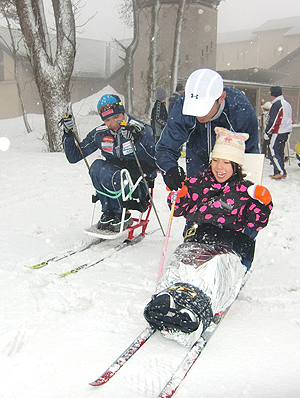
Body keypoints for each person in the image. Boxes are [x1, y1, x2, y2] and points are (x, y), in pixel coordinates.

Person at [144, 127, 273, 347]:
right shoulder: (199, 184)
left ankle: (196, 309)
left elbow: (256, 222)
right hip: (198, 240)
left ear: (236, 166)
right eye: (216, 161)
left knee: (213, 270)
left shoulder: (245, 191)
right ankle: (168, 299)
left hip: (229, 247)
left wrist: (264, 203)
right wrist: (179, 194)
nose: (219, 168)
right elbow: (179, 209)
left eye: (226, 163)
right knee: (180, 260)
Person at [61, 94, 157, 232]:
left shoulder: (139, 128)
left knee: (112, 174)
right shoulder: (100, 133)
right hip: (112, 177)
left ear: (123, 113)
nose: (113, 123)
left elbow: (154, 159)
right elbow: (74, 156)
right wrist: (68, 134)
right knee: (96, 167)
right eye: (108, 120)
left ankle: (123, 213)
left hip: (138, 181)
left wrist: (137, 140)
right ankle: (109, 211)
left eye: (117, 117)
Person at [155, 68, 259, 191]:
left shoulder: (241, 110)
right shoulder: (182, 105)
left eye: (204, 108)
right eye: (194, 109)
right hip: (197, 162)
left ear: (221, 98)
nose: (199, 115)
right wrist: (169, 168)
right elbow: (166, 147)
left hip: (230, 175)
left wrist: (250, 191)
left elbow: (251, 156)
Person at [264, 86, 293, 179]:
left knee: (273, 150)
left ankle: (280, 171)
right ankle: (279, 170)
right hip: (285, 131)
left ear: (273, 94)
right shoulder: (286, 104)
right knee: (280, 151)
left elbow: (273, 120)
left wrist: (267, 132)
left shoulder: (277, 104)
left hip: (278, 131)